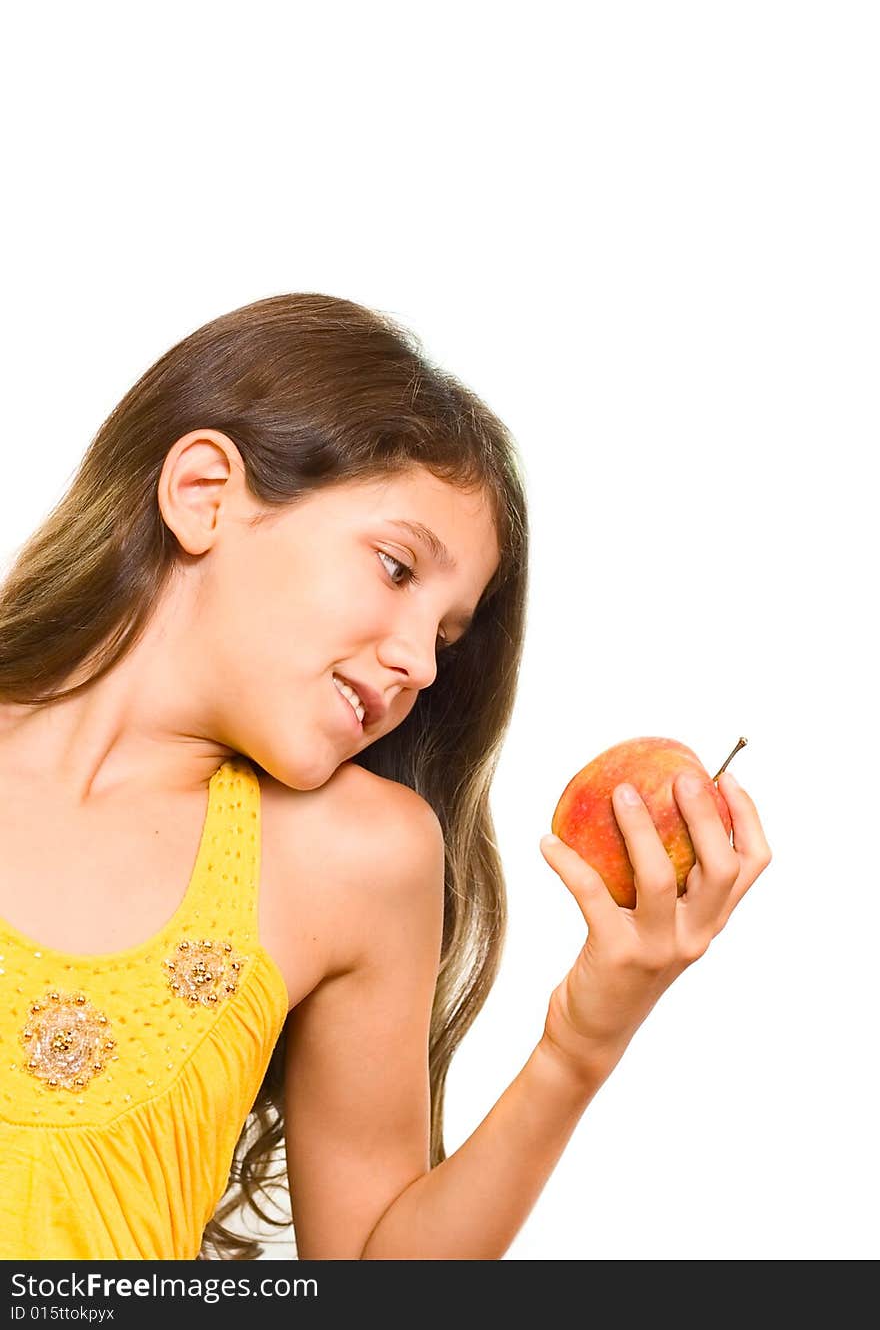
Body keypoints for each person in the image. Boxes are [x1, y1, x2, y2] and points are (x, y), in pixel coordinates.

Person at [0, 292, 772, 1261]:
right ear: (205, 496)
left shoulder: (353, 858)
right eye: (398, 570)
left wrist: (581, 1043)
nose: (424, 663)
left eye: (448, 634)